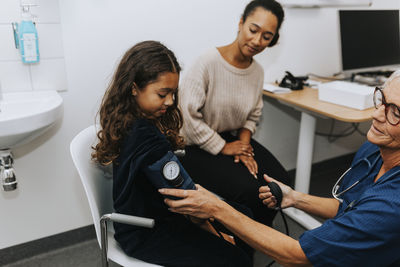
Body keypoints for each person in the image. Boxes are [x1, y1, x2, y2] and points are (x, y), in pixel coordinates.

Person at [160, 70, 400, 266]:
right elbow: (349, 205)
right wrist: (295, 198)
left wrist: (216, 208)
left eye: (395, 112)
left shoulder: (391, 206)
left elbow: (297, 254)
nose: (377, 115)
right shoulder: (374, 149)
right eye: (382, 100)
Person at [92, 41, 253, 267]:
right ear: (134, 88)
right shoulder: (148, 139)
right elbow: (185, 201)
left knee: (242, 217)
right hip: (146, 233)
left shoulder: (128, 121)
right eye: (162, 94)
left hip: (148, 217)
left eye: (173, 93)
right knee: (236, 257)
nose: (169, 101)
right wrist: (218, 236)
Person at [178, 0, 290, 227]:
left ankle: (258, 237)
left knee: (280, 184)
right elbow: (188, 119)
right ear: (240, 23)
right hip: (192, 146)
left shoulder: (257, 71)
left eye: (267, 37)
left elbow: (252, 116)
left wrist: (245, 148)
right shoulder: (207, 62)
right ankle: (240, 245)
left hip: (231, 139)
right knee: (251, 191)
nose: (257, 41)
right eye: (253, 30)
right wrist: (224, 147)